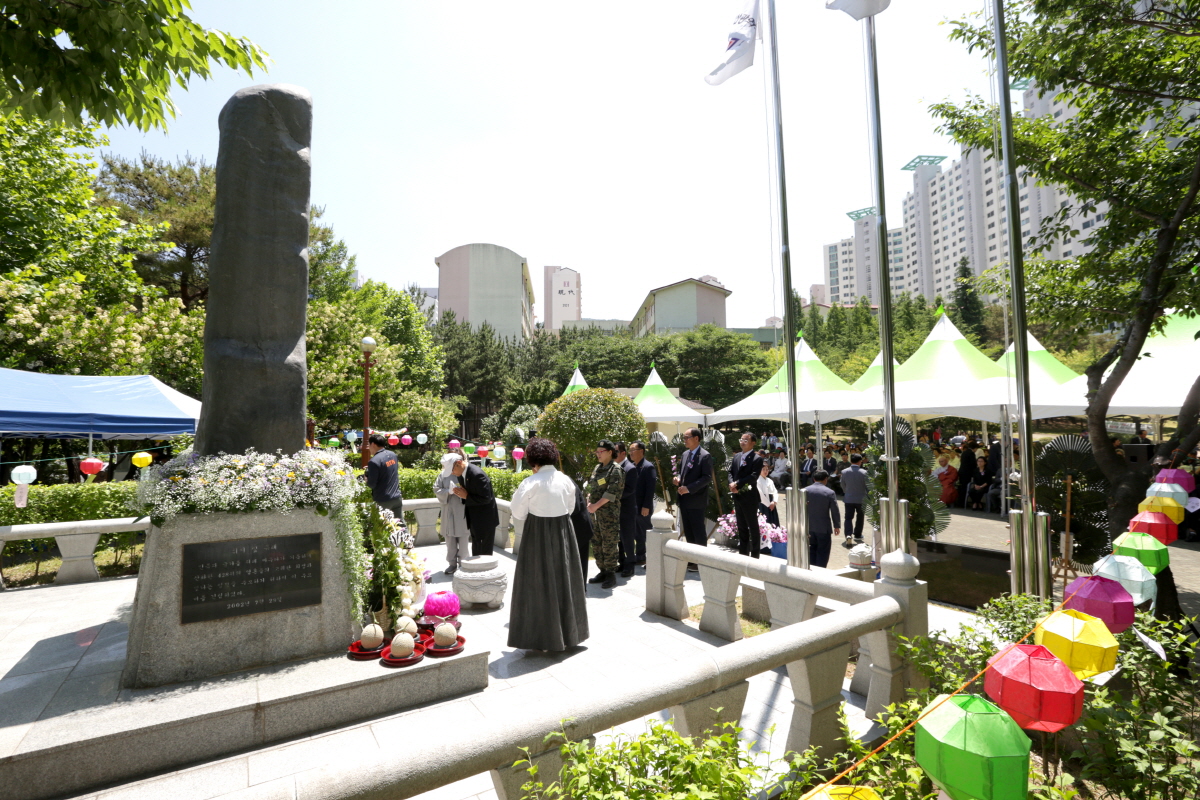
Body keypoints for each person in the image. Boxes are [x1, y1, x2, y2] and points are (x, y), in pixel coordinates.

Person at [506, 437, 589, 652]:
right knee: (565, 581)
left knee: (536, 583)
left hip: (537, 536)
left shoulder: (530, 483)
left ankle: (539, 637)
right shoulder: (566, 480)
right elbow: (570, 508)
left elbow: (517, 512)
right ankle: (570, 634)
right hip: (563, 533)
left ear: (533, 460)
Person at [585, 439, 624, 588]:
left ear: (610, 452)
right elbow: (592, 486)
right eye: (597, 451)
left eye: (601, 452)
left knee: (609, 544)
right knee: (597, 542)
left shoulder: (615, 470)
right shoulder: (597, 468)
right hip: (594, 513)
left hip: (608, 514)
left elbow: (611, 493)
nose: (598, 454)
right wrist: (589, 500)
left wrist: (595, 506)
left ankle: (611, 574)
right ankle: (602, 570)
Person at [674, 427, 713, 572]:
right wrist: (678, 478)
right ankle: (691, 559)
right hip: (684, 498)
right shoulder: (685, 454)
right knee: (688, 530)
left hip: (696, 499)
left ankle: (701, 561)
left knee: (698, 530)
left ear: (696, 438)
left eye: (687, 437)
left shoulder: (705, 456)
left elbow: (706, 477)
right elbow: (682, 472)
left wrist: (689, 488)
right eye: (684, 437)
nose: (684, 440)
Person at [450, 453, 499, 556]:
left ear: (459, 463)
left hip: (485, 520)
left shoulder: (477, 474)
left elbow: (486, 498)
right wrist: (461, 494)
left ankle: (485, 571)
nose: (452, 473)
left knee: (485, 552)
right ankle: (475, 570)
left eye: (452, 470)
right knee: (476, 548)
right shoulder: (461, 474)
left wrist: (466, 496)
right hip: (473, 518)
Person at [728, 432, 764, 558]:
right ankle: (743, 553)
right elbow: (730, 472)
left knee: (752, 526)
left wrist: (737, 484)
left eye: (745, 440)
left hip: (749, 497)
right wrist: (731, 483)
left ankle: (755, 554)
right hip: (737, 495)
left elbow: (754, 476)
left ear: (753, 443)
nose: (742, 442)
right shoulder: (737, 456)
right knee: (741, 525)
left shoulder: (757, 458)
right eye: (741, 439)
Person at [433, 453, 470, 574]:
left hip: (462, 511)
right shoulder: (442, 475)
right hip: (448, 510)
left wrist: (462, 492)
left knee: (463, 539)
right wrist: (447, 492)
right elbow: (436, 488)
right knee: (450, 541)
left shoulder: (465, 474)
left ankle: (464, 563)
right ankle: (452, 564)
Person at [804, 470, 841, 568]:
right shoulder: (829, 492)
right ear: (826, 479)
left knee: (811, 550)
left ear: (814, 479)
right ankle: (820, 571)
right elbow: (835, 510)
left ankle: (811, 568)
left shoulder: (805, 490)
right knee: (823, 552)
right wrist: (837, 526)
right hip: (823, 528)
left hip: (808, 526)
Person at [628, 441, 657, 567]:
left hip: (643, 506)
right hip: (634, 506)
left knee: (647, 533)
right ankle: (640, 556)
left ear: (642, 451)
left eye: (633, 450)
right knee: (637, 533)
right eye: (630, 450)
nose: (631, 453)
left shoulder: (648, 466)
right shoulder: (633, 466)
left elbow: (650, 488)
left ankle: (654, 557)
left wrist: (646, 506)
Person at [365, 433, 403, 515]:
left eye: (369, 445)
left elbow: (372, 484)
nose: (368, 448)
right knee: (400, 524)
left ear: (373, 444)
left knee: (381, 526)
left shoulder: (374, 461)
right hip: (397, 497)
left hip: (383, 500)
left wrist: (366, 479)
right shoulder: (392, 455)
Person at [839, 453, 868, 547]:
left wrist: (846, 491)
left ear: (851, 461)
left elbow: (842, 484)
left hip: (849, 498)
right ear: (860, 462)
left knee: (848, 517)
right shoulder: (864, 472)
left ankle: (848, 534)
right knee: (860, 517)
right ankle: (858, 534)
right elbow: (867, 486)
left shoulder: (844, 472)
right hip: (861, 498)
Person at [569, 479, 593, 579]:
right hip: (575, 526)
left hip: (580, 527)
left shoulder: (564, 481)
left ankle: (581, 591)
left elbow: (575, 507)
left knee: (579, 564)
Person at [757, 461, 779, 527]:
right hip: (763, 503)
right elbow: (760, 494)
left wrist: (774, 501)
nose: (765, 471)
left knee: (773, 521)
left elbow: (775, 492)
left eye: (767, 469)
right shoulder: (757, 480)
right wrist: (768, 504)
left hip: (771, 502)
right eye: (763, 469)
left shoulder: (770, 480)